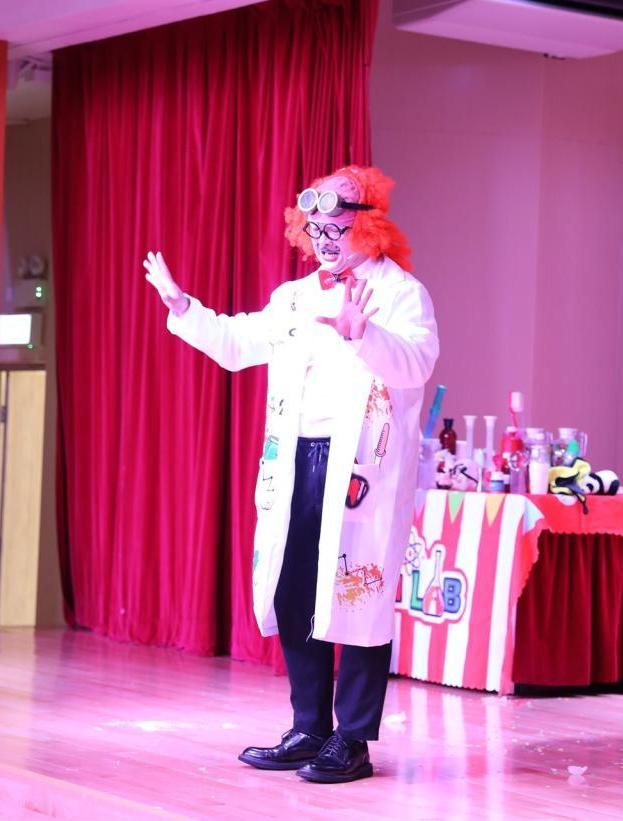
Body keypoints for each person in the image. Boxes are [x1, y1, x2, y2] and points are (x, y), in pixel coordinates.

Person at [143, 165, 438, 784]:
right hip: (297, 456)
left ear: (369, 226)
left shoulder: (400, 293)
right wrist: (184, 308)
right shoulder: (295, 296)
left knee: (357, 594)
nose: (325, 239)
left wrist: (365, 335)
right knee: (293, 588)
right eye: (316, 228)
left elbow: (415, 365)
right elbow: (238, 343)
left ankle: (352, 740)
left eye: (338, 227)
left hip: (360, 468)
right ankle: (310, 728)